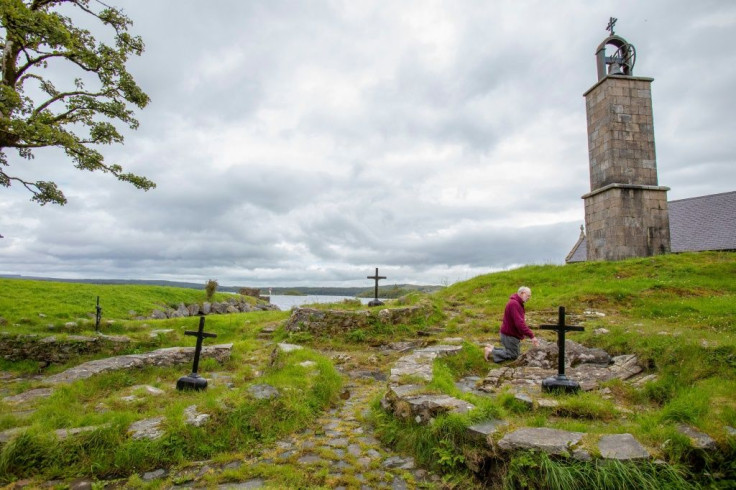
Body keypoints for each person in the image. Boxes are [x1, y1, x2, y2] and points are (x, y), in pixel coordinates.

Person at [485, 286, 539, 363]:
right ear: (522, 293)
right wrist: (532, 336)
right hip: (509, 335)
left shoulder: (516, 303)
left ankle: (492, 348)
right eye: (528, 295)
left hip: (509, 334)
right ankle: (490, 351)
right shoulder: (515, 304)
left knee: (514, 352)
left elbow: (518, 321)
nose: (529, 298)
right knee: (514, 355)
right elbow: (519, 324)